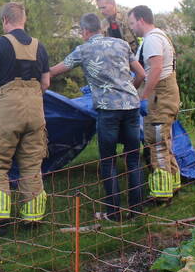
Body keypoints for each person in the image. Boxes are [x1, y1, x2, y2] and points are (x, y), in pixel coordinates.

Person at [49, 13, 146, 220]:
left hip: (107, 110)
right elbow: (141, 74)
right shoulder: (121, 44)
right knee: (133, 159)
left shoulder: (83, 50)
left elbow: (54, 71)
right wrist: (130, 94)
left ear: (84, 31)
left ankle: (114, 213)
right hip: (131, 107)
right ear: (100, 29)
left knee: (108, 161)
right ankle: (137, 210)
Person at [0, 2, 50, 232]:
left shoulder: (0, 45)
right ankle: (32, 218)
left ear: (5, 20)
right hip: (36, 112)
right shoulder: (39, 46)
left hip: (7, 112)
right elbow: (46, 83)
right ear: (24, 19)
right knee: (32, 163)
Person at [127, 5, 181, 202]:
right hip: (166, 97)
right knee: (164, 142)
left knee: (156, 144)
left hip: (159, 99)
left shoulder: (152, 40)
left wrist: (143, 97)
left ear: (141, 20)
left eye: (132, 23)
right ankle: (173, 184)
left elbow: (156, 69)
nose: (132, 28)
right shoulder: (159, 37)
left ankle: (161, 194)